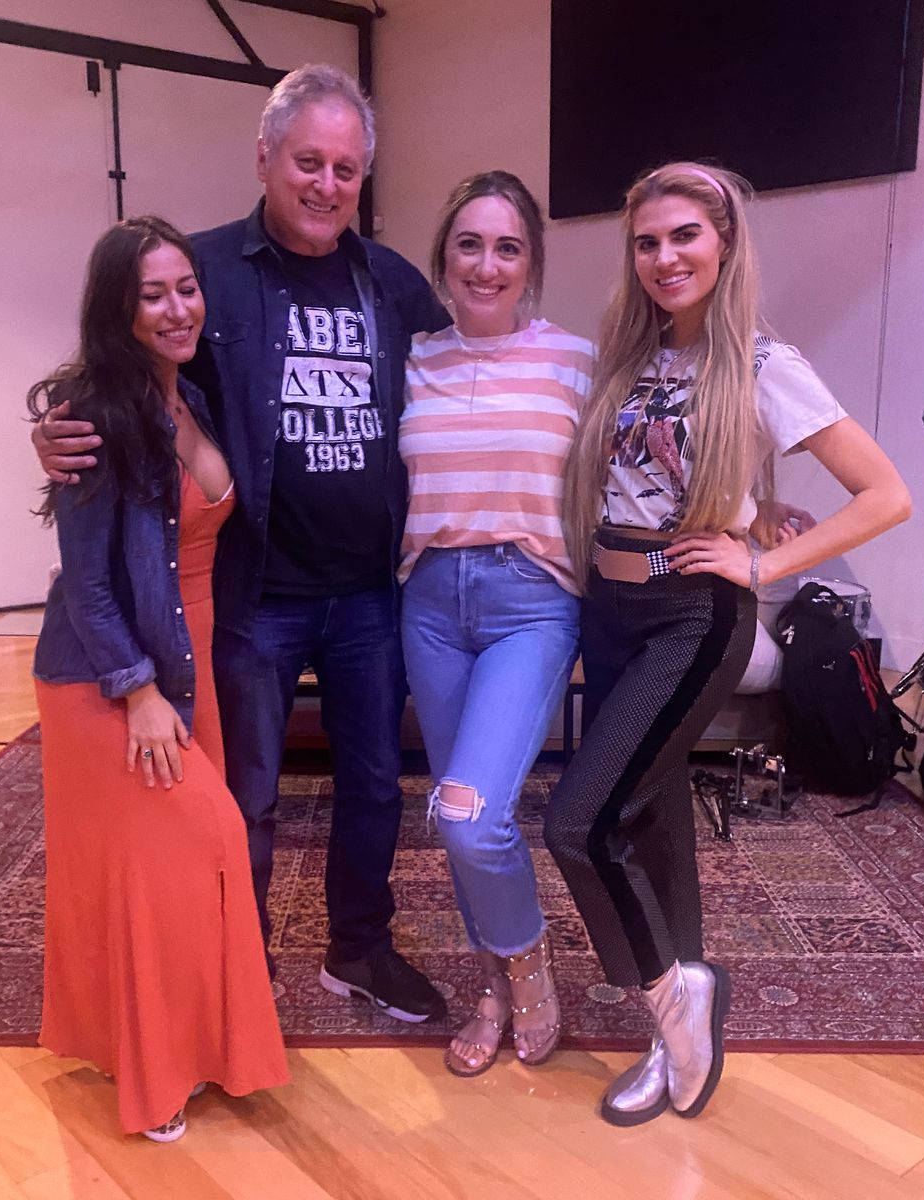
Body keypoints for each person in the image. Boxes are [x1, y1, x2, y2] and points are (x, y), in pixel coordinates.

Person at [34, 65, 449, 1023]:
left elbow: (473, 367)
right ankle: (239, 968)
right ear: (264, 157)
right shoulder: (208, 272)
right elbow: (119, 361)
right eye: (308, 162)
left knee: (375, 784)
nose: (327, 185)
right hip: (255, 594)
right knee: (246, 795)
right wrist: (56, 428)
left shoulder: (390, 282)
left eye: (346, 169)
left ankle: (360, 949)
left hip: (369, 592)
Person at [547, 163, 911, 1125]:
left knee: (578, 822)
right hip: (609, 608)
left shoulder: (761, 361)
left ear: (725, 243)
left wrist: (759, 562)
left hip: (692, 616)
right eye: (647, 241)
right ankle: (678, 1032)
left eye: (685, 236)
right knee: (650, 814)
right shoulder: (630, 357)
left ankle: (679, 998)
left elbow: (886, 494)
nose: (664, 257)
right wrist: (756, 507)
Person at [28, 216, 288, 1141]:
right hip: (111, 673)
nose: (178, 309)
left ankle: (180, 1048)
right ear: (118, 309)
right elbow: (88, 583)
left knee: (165, 872)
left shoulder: (191, 398)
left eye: (186, 288)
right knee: (201, 840)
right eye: (153, 294)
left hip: (189, 657)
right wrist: (135, 691)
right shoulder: (95, 415)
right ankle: (156, 1070)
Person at [397, 172, 592, 1075]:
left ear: (531, 264)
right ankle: (492, 985)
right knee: (451, 812)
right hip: (430, 603)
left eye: (508, 247)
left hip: (530, 601)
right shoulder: (412, 361)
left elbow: (653, 457)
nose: (486, 265)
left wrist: (750, 509)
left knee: (474, 815)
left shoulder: (575, 362)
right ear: (444, 258)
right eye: (469, 244)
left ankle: (528, 963)